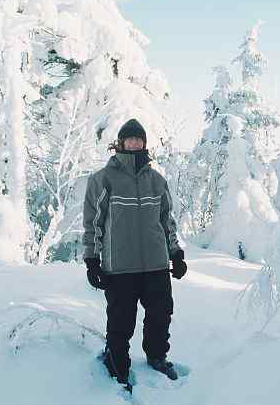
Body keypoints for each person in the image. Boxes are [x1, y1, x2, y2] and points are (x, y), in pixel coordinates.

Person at [82, 118, 187, 389]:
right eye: (129, 139)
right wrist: (92, 260)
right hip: (120, 267)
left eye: (138, 139)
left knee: (161, 314)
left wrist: (175, 253)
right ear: (120, 143)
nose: (134, 143)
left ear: (144, 143)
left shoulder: (157, 181)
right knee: (121, 320)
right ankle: (117, 360)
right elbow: (92, 222)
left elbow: (167, 221)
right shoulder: (103, 179)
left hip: (156, 264)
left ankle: (157, 356)